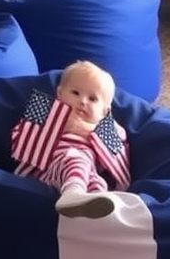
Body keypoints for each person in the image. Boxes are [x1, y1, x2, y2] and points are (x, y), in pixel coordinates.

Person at [11, 60, 130, 218]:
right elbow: (18, 140)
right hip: (44, 175)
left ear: (105, 111)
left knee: (97, 182)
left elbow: (119, 154)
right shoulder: (45, 110)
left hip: (87, 173)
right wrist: (56, 124)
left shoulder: (106, 127)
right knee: (75, 158)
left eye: (93, 99)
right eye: (75, 93)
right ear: (59, 93)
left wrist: (89, 130)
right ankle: (73, 194)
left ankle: (95, 211)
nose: (82, 101)